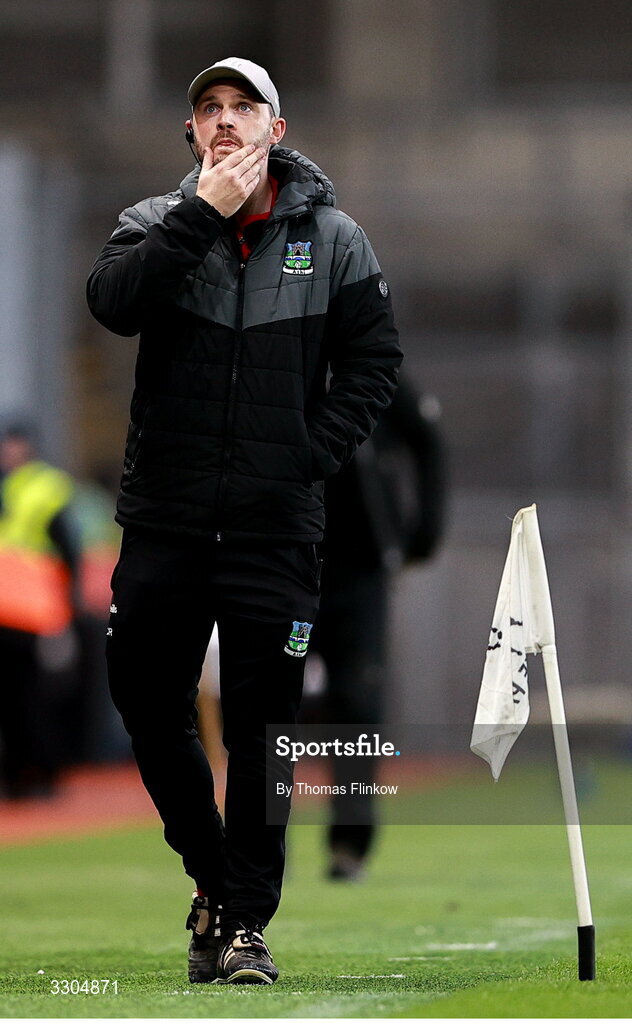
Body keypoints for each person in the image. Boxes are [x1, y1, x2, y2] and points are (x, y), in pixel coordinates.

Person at [86, 57, 402, 985]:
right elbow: (112, 304)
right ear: (190, 134)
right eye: (208, 110)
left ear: (279, 126)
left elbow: (374, 364)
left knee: (265, 734)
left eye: (242, 107)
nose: (224, 121)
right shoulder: (155, 223)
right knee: (146, 701)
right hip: (167, 521)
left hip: (275, 529)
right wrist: (202, 216)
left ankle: (245, 925)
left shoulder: (336, 240)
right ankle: (216, 880)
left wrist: (305, 457)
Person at [306, 372, 446, 880]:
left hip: (358, 568)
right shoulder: (279, 357)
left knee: (357, 702)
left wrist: (424, 529)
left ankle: (349, 841)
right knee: (267, 701)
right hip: (286, 560)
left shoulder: (371, 368)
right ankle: (260, 850)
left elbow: (428, 438)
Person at [0, 423, 81, 798]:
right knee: (14, 699)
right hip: (10, 609)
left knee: (34, 697)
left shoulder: (45, 487)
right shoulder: (11, 486)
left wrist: (67, 607)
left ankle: (44, 773)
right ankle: (18, 775)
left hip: (34, 611)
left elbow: (68, 549)